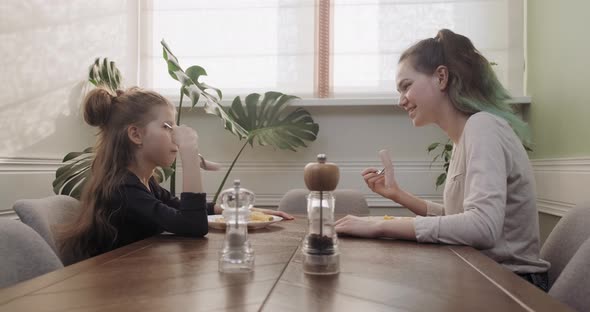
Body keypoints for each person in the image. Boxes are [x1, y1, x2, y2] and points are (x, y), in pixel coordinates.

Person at [335, 29, 550, 291]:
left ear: (441, 77)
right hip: (485, 277)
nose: (401, 101)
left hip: (514, 287)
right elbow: (460, 219)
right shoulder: (465, 137)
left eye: (406, 86)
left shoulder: (483, 127)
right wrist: (398, 195)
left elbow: (482, 227)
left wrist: (380, 227)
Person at [58, 87, 292, 259]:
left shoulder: (144, 182)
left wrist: (243, 212)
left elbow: (181, 207)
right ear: (136, 135)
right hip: (115, 293)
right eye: (167, 126)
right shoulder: (122, 188)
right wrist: (189, 154)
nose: (176, 133)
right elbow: (193, 225)